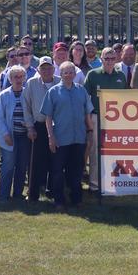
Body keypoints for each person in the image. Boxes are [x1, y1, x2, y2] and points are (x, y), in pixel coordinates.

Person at [41, 61, 95, 211]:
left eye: (71, 72)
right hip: (60, 138)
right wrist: (51, 137)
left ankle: (76, 199)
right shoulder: (53, 92)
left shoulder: (81, 91)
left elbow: (87, 113)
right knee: (57, 171)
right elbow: (48, 117)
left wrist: (90, 132)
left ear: (75, 74)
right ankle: (59, 200)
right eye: (66, 72)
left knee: (76, 170)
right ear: (61, 74)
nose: (69, 75)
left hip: (78, 138)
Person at [83, 47, 127, 191]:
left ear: (116, 60)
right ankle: (95, 184)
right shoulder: (92, 75)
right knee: (95, 151)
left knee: (114, 151)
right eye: (106, 58)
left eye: (112, 58)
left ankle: (112, 181)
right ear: (101, 59)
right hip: (97, 116)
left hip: (116, 120)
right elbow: (84, 98)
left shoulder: (121, 76)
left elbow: (126, 100)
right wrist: (88, 119)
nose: (109, 61)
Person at [23, 57, 59, 203]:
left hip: (57, 127)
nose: (46, 70)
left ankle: (53, 191)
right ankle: (33, 194)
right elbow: (26, 106)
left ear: (53, 68)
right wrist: (30, 126)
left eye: (49, 67)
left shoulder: (59, 81)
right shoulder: (31, 83)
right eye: (43, 68)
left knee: (55, 160)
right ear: (38, 69)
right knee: (35, 161)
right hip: (38, 126)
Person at [0, 67, 31, 202]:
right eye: (15, 77)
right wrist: (5, 135)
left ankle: (17, 194)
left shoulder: (27, 93)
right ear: (10, 79)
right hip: (9, 136)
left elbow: (32, 113)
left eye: (21, 76)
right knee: (8, 166)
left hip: (25, 136)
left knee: (22, 166)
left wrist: (28, 125)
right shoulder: (3, 95)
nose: (18, 79)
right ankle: (4, 195)